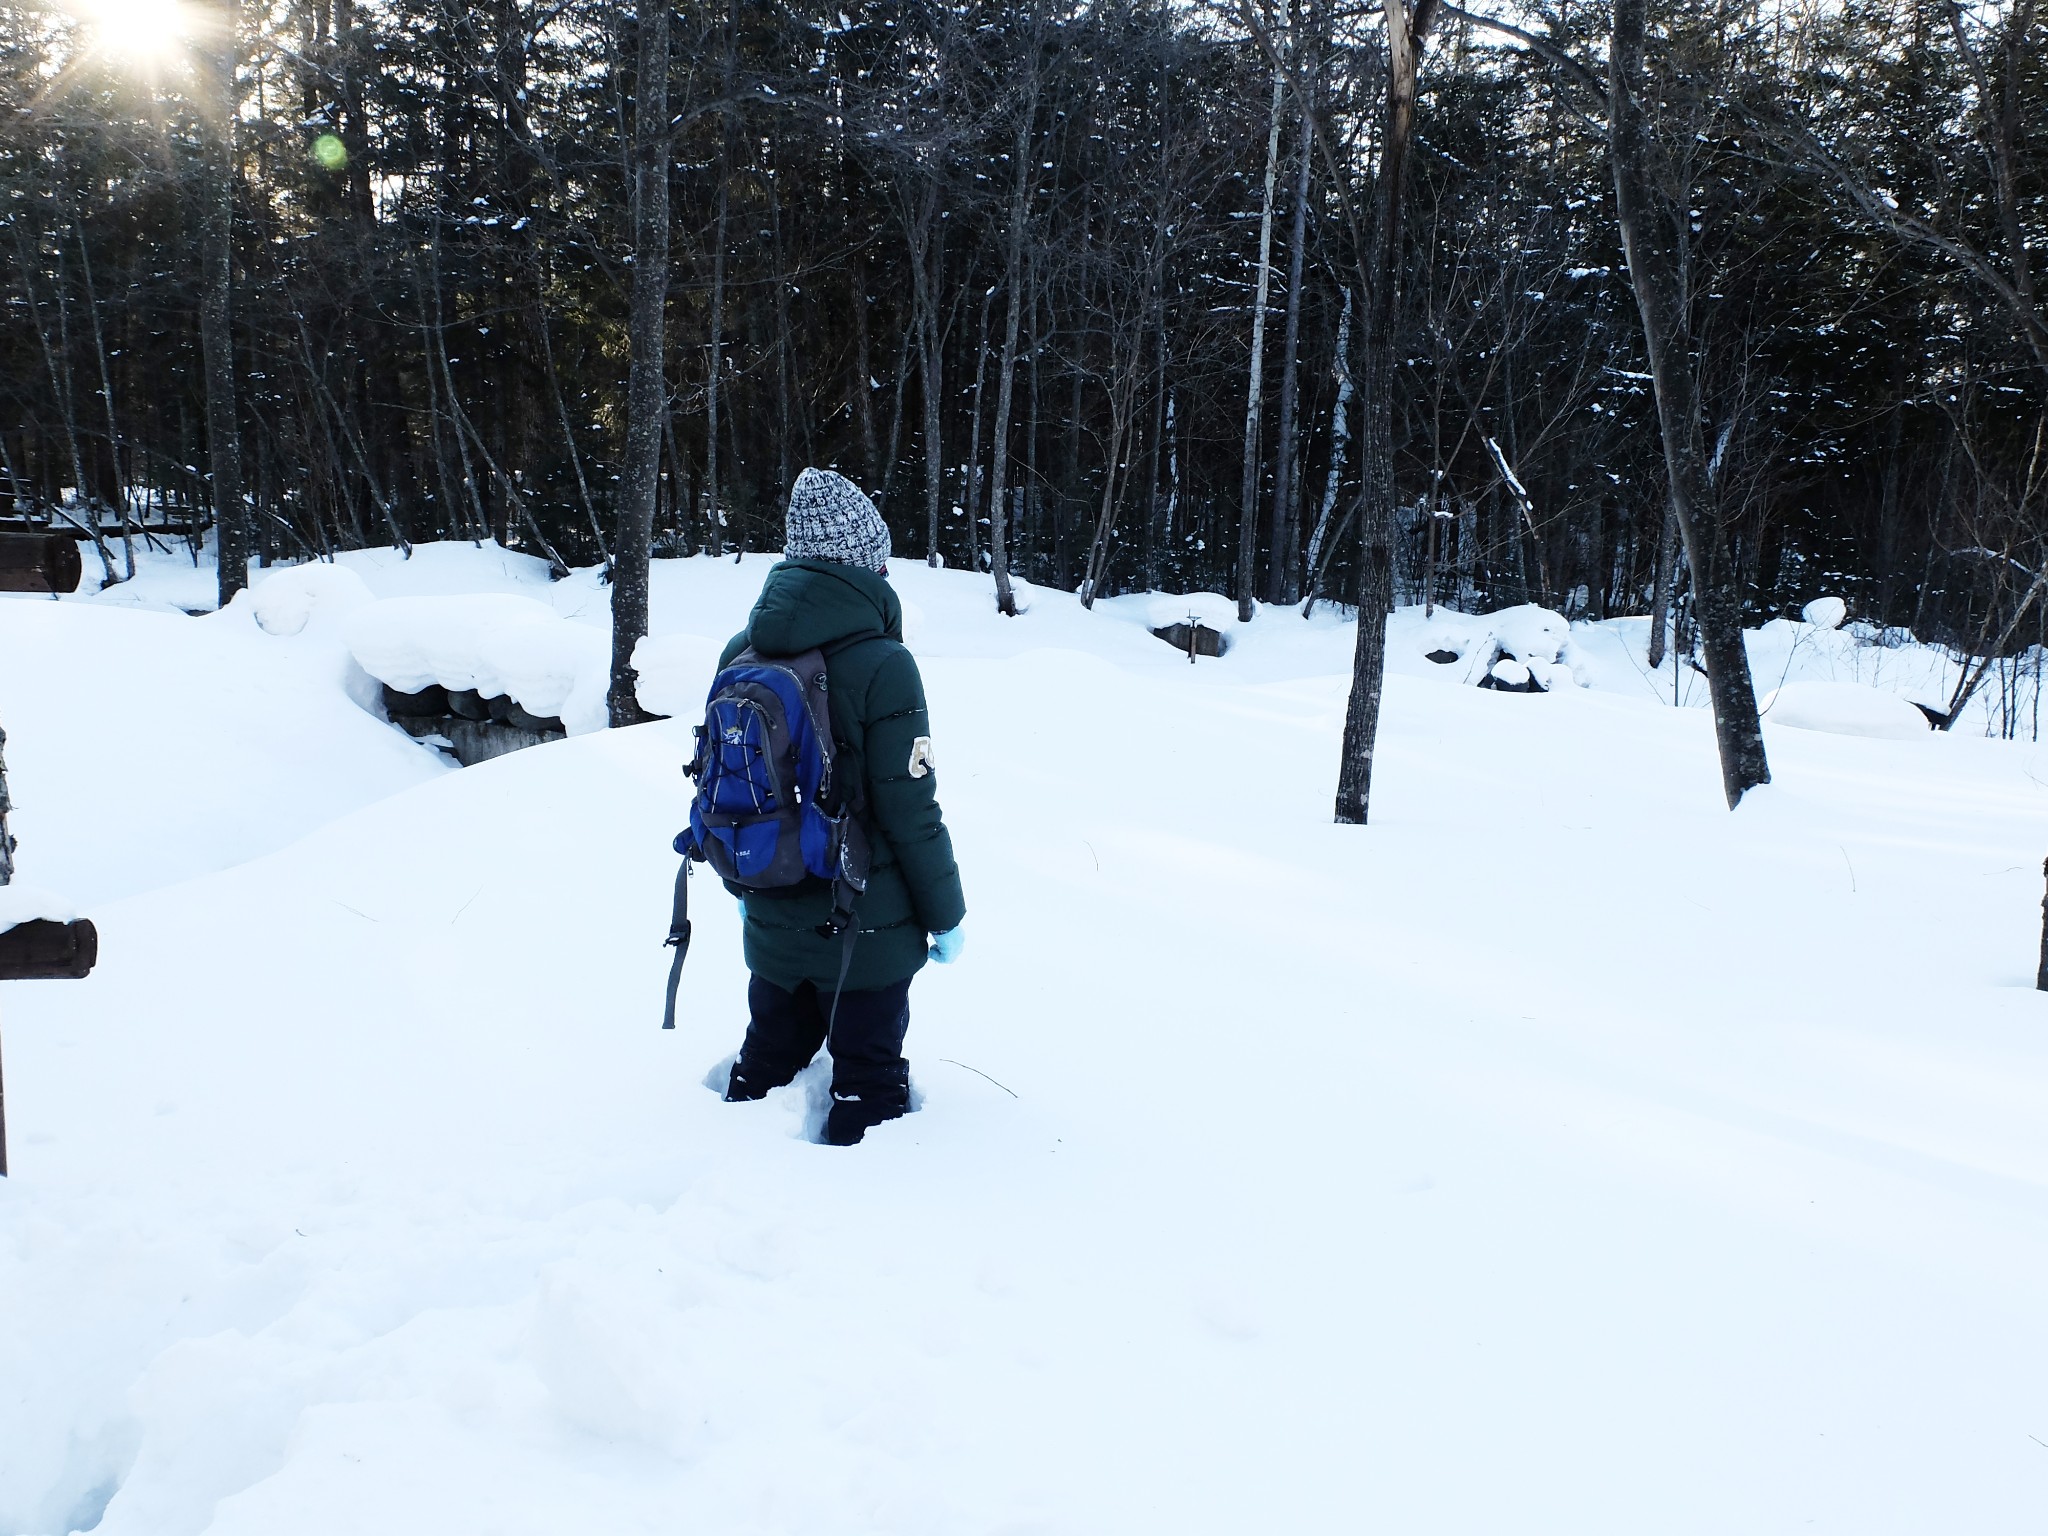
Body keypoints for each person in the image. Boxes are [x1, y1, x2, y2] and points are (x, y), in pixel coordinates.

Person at [716, 467, 965, 1145]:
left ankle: (718, 1168)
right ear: (863, 562)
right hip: (866, 930)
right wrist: (946, 916)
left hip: (767, 905)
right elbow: (911, 812)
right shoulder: (884, 665)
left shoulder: (742, 651)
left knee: (766, 1060)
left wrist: (741, 883)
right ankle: (857, 1221)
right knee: (867, 1083)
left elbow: (725, 784)